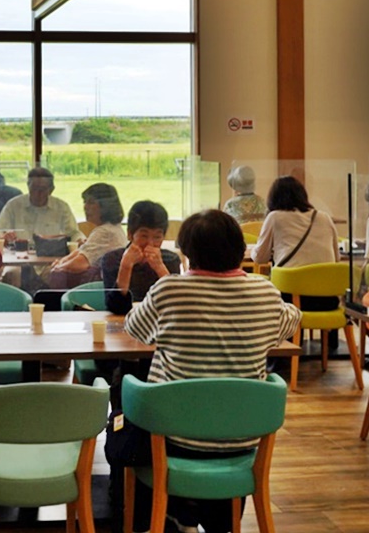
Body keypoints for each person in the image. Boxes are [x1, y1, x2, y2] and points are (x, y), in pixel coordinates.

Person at [121, 210, 301, 533]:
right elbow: (291, 320)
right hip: (242, 437)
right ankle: (211, 516)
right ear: (237, 250)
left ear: (187, 253)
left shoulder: (169, 291)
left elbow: (135, 328)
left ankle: (173, 512)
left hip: (173, 437)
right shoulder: (265, 293)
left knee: (125, 412)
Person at [252, 175, 342, 317]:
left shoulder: (275, 217)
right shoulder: (324, 217)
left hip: (290, 299)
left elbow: (259, 258)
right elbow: (337, 259)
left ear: (273, 198)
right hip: (327, 299)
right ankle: (328, 339)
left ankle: (289, 339)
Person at [101, 200, 181, 315]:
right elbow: (115, 308)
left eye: (157, 237)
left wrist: (160, 268)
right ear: (130, 234)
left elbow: (176, 304)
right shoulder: (112, 259)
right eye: (144, 236)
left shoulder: (170, 259)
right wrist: (125, 267)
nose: (150, 243)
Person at [46, 182, 127, 290]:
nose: (85, 207)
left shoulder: (104, 232)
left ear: (105, 207)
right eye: (85, 202)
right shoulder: (114, 228)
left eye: (91, 202)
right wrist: (61, 262)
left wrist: (58, 267)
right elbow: (81, 251)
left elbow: (80, 263)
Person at [0, 166, 80, 243]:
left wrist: (79, 240)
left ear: (51, 190)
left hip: (51, 255)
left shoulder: (61, 207)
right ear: (28, 186)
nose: (38, 193)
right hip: (19, 254)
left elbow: (74, 234)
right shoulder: (13, 205)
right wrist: (2, 237)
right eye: (34, 188)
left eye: (42, 189)